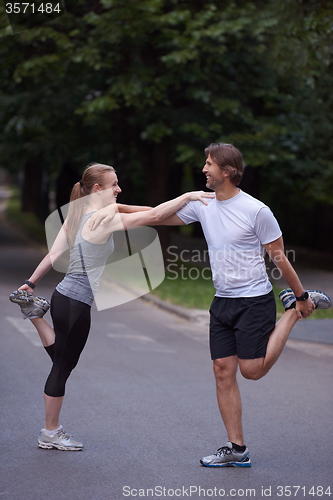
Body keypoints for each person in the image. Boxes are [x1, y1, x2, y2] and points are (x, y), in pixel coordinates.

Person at [91, 143, 331, 467]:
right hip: (222, 301)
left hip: (254, 300)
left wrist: (301, 298)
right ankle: (237, 449)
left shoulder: (257, 211)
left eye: (209, 164)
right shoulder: (204, 204)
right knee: (222, 372)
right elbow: (157, 214)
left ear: (228, 171)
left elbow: (279, 259)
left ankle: (289, 313)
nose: (204, 169)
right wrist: (114, 211)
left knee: (252, 370)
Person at [10, 162, 214, 451]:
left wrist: (30, 282)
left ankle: (35, 315)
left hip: (62, 296)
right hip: (76, 301)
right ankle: (50, 432)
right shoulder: (101, 220)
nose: (119, 189)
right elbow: (154, 215)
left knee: (61, 358)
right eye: (114, 185)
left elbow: (55, 252)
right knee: (61, 366)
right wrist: (190, 195)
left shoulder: (77, 214)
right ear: (97, 189)